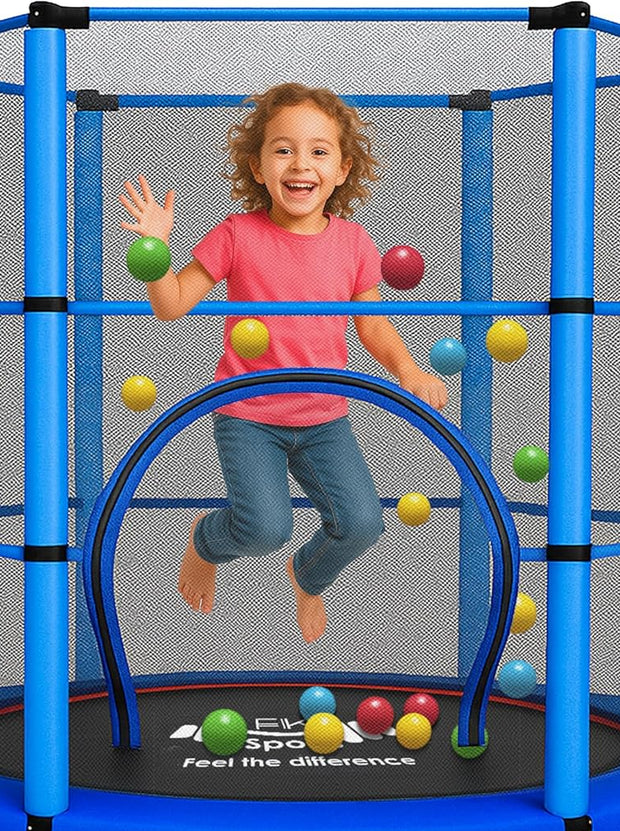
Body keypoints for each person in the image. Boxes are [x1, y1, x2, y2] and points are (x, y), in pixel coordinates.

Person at [120, 83, 446, 643]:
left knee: (363, 524)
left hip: (325, 418)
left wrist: (408, 369)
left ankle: (308, 575)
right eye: (283, 150)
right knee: (266, 529)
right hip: (248, 414)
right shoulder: (235, 234)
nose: (301, 164)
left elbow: (372, 327)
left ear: (343, 169)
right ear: (258, 165)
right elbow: (171, 306)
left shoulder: (354, 243)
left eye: (319, 152)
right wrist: (155, 251)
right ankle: (205, 540)